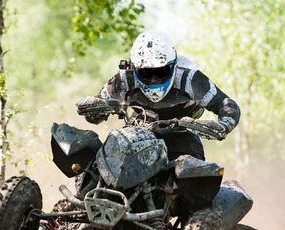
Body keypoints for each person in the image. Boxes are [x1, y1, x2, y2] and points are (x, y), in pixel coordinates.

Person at [78, 29, 241, 161]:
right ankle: (80, 200)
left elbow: (224, 103)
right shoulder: (124, 79)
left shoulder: (189, 78)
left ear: (173, 66)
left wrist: (223, 125)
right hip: (136, 131)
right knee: (100, 163)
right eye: (146, 73)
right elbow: (97, 107)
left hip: (182, 134)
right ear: (133, 68)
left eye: (161, 72)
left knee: (195, 177)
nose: (154, 79)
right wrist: (93, 108)